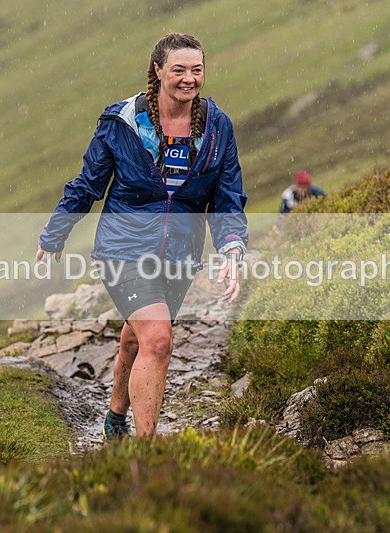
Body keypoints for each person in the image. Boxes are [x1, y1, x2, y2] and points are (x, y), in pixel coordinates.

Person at [36, 33, 248, 440]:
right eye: (179, 70)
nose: (189, 79)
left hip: (180, 253)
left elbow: (227, 195)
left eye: (197, 70)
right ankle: (146, 452)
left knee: (138, 339)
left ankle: (115, 417)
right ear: (158, 71)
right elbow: (88, 184)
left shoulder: (217, 127)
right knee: (159, 340)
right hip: (124, 249)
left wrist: (232, 248)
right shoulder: (122, 122)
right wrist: (56, 231)